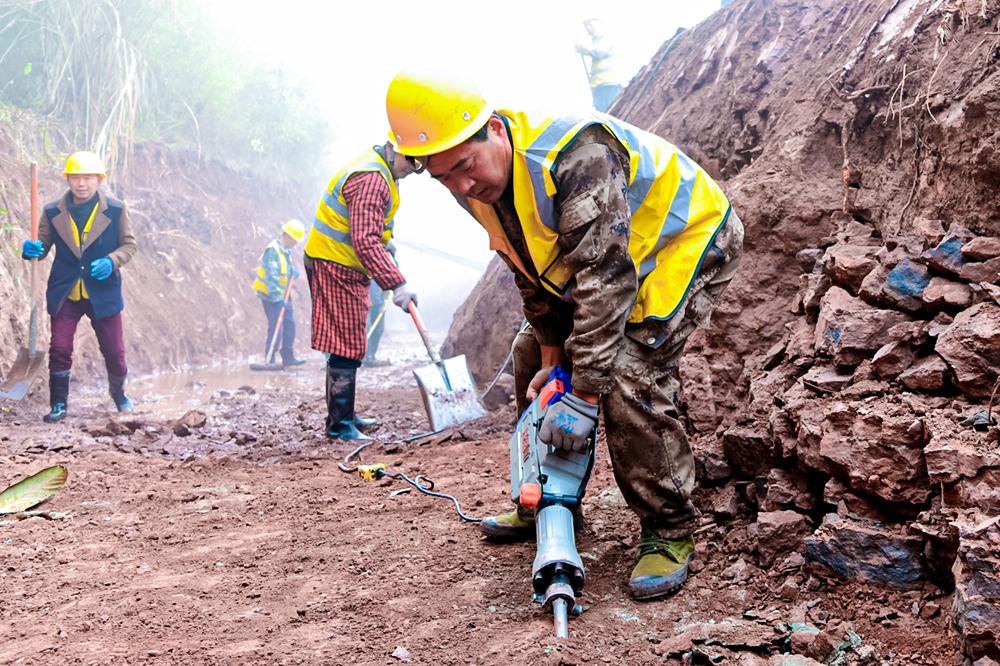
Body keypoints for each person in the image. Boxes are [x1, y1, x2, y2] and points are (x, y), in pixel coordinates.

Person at [385, 70, 743, 600]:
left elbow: (605, 279)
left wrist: (586, 392)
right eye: (443, 178)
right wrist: (554, 356)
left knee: (626, 371)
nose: (461, 186)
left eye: (464, 166)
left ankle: (669, 528)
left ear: (496, 131)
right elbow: (528, 266)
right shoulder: (474, 183)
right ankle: (547, 497)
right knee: (529, 349)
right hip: (614, 261)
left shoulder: (577, 155)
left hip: (683, 243)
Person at [303, 142, 419, 441]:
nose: (413, 169)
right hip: (335, 262)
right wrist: (397, 284)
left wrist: (387, 244)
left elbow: (373, 230)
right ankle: (339, 426)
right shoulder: (371, 179)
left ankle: (344, 416)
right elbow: (365, 241)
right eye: (412, 161)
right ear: (396, 147)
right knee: (345, 341)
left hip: (343, 263)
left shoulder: (384, 173)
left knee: (348, 338)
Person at [21, 151, 138, 423]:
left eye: (87, 177)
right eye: (76, 177)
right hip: (66, 291)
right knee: (60, 348)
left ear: (98, 179)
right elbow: (41, 247)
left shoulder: (117, 209)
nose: (81, 183)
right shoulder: (52, 211)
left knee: (114, 352)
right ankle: (58, 404)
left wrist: (112, 261)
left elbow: (129, 245)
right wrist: (30, 250)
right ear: (68, 179)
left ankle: (119, 395)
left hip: (103, 292)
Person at [253, 219, 306, 367]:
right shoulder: (273, 250)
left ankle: (288, 356)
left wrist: (292, 272)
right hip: (271, 296)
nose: (295, 244)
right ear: (288, 236)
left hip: (283, 294)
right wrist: (277, 298)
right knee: (277, 326)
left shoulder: (286, 250)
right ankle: (270, 359)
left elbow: (284, 269)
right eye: (294, 240)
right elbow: (271, 276)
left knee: (290, 325)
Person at [575, 18, 626, 112]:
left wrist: (582, 48)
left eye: (590, 24)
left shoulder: (606, 37)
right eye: (586, 26)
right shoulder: (595, 42)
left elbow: (599, 52)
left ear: (598, 23)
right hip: (599, 87)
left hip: (610, 85)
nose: (588, 28)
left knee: (613, 114)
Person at [362, 240, 397, 367]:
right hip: (364, 300)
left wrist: (387, 297)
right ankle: (360, 355)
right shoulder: (367, 259)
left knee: (378, 329)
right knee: (365, 327)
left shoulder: (391, 263)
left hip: (380, 302)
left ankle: (370, 356)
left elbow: (394, 280)